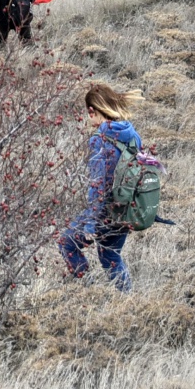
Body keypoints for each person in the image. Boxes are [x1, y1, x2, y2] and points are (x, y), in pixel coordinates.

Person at [59, 83, 145, 291]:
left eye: (89, 111)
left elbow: (100, 185)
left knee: (67, 243)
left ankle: (85, 290)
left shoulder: (100, 140)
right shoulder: (131, 134)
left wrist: (90, 224)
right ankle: (127, 299)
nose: (89, 117)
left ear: (95, 110)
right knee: (110, 256)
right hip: (125, 209)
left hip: (104, 212)